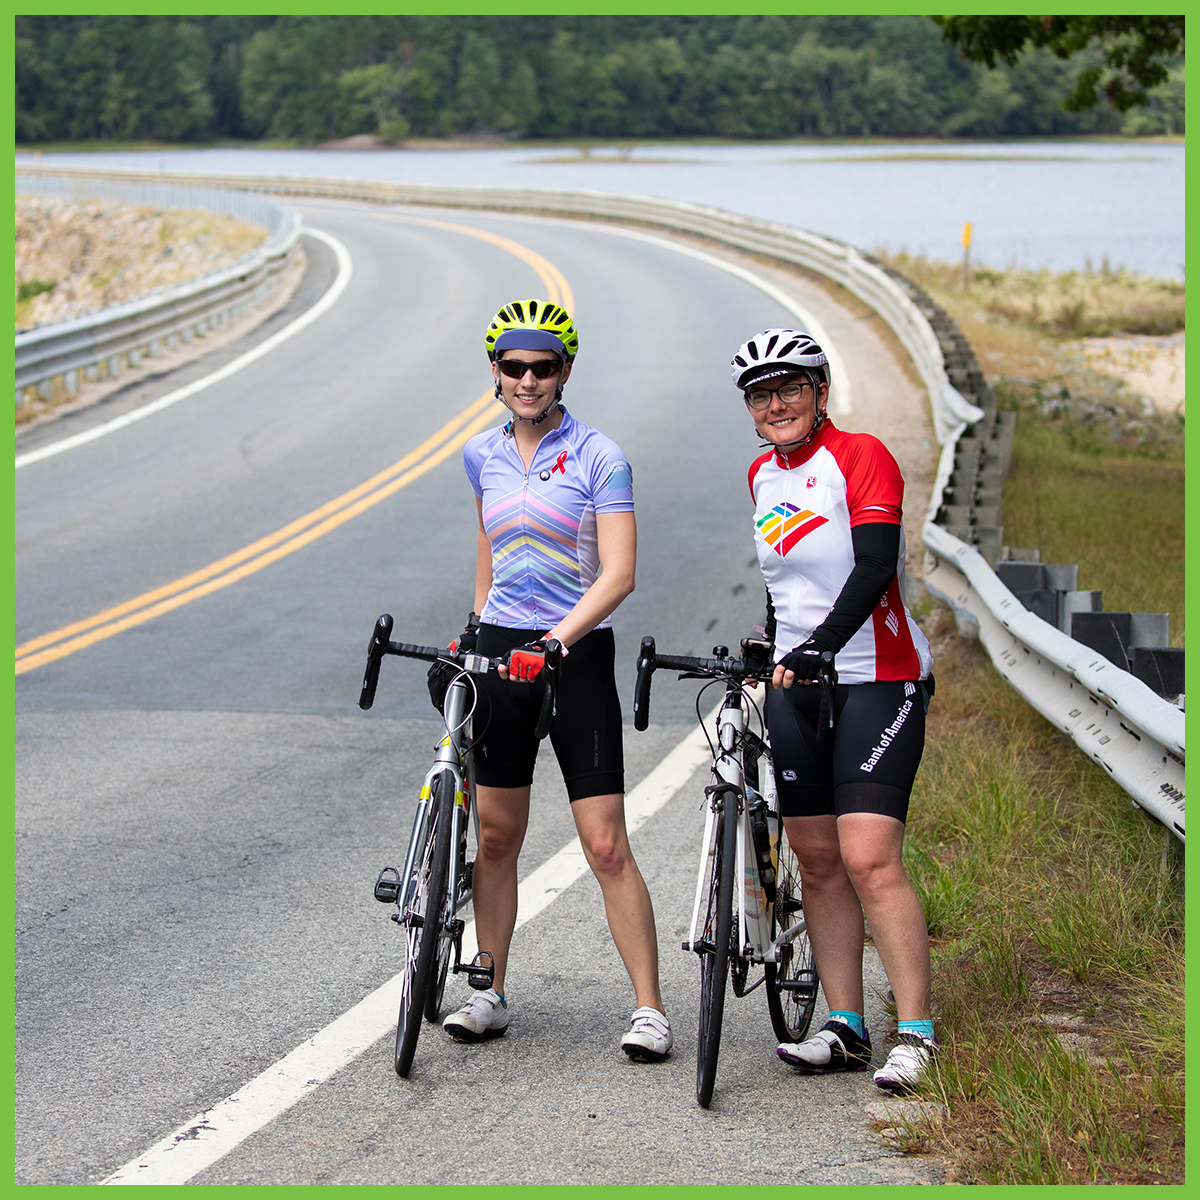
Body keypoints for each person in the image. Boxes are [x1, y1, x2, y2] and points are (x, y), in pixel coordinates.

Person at [437, 299, 672, 1062]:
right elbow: (489, 551)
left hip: (575, 653)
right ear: (496, 375)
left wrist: (555, 640)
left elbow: (620, 573)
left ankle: (649, 1010)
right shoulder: (482, 455)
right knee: (497, 837)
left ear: (565, 372)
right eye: (514, 368)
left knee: (604, 845)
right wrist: (475, 629)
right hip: (502, 651)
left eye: (544, 367)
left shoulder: (602, 456)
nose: (528, 380)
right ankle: (489, 991)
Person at [732, 328, 937, 1093]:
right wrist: (775, 642)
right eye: (761, 394)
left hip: (877, 678)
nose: (776, 403)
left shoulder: (861, 457)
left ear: (820, 392)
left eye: (789, 388)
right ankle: (846, 1027)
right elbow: (786, 585)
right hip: (800, 685)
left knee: (868, 858)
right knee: (815, 861)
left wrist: (820, 646)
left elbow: (875, 566)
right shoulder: (761, 476)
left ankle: (915, 1032)